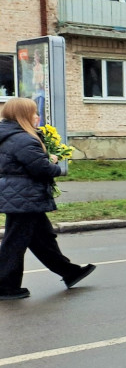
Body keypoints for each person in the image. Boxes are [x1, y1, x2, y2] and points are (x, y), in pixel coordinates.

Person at [0, 98, 95, 300]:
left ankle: (69, 272)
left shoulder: (7, 135)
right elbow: (41, 169)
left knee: (43, 238)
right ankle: (5, 286)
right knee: (15, 241)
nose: (37, 117)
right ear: (23, 115)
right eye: (34, 113)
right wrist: (54, 163)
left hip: (18, 195)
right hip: (25, 196)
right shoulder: (23, 139)